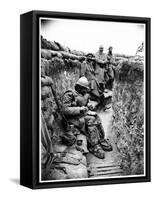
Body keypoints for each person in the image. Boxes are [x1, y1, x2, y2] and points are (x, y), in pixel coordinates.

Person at [61, 77, 112, 159]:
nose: (85, 91)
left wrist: (88, 106)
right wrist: (79, 109)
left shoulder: (81, 94)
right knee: (91, 120)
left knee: (96, 117)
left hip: (80, 116)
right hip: (72, 119)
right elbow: (64, 110)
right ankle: (93, 145)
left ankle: (101, 140)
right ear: (79, 87)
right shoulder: (69, 94)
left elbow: (84, 103)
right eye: (84, 89)